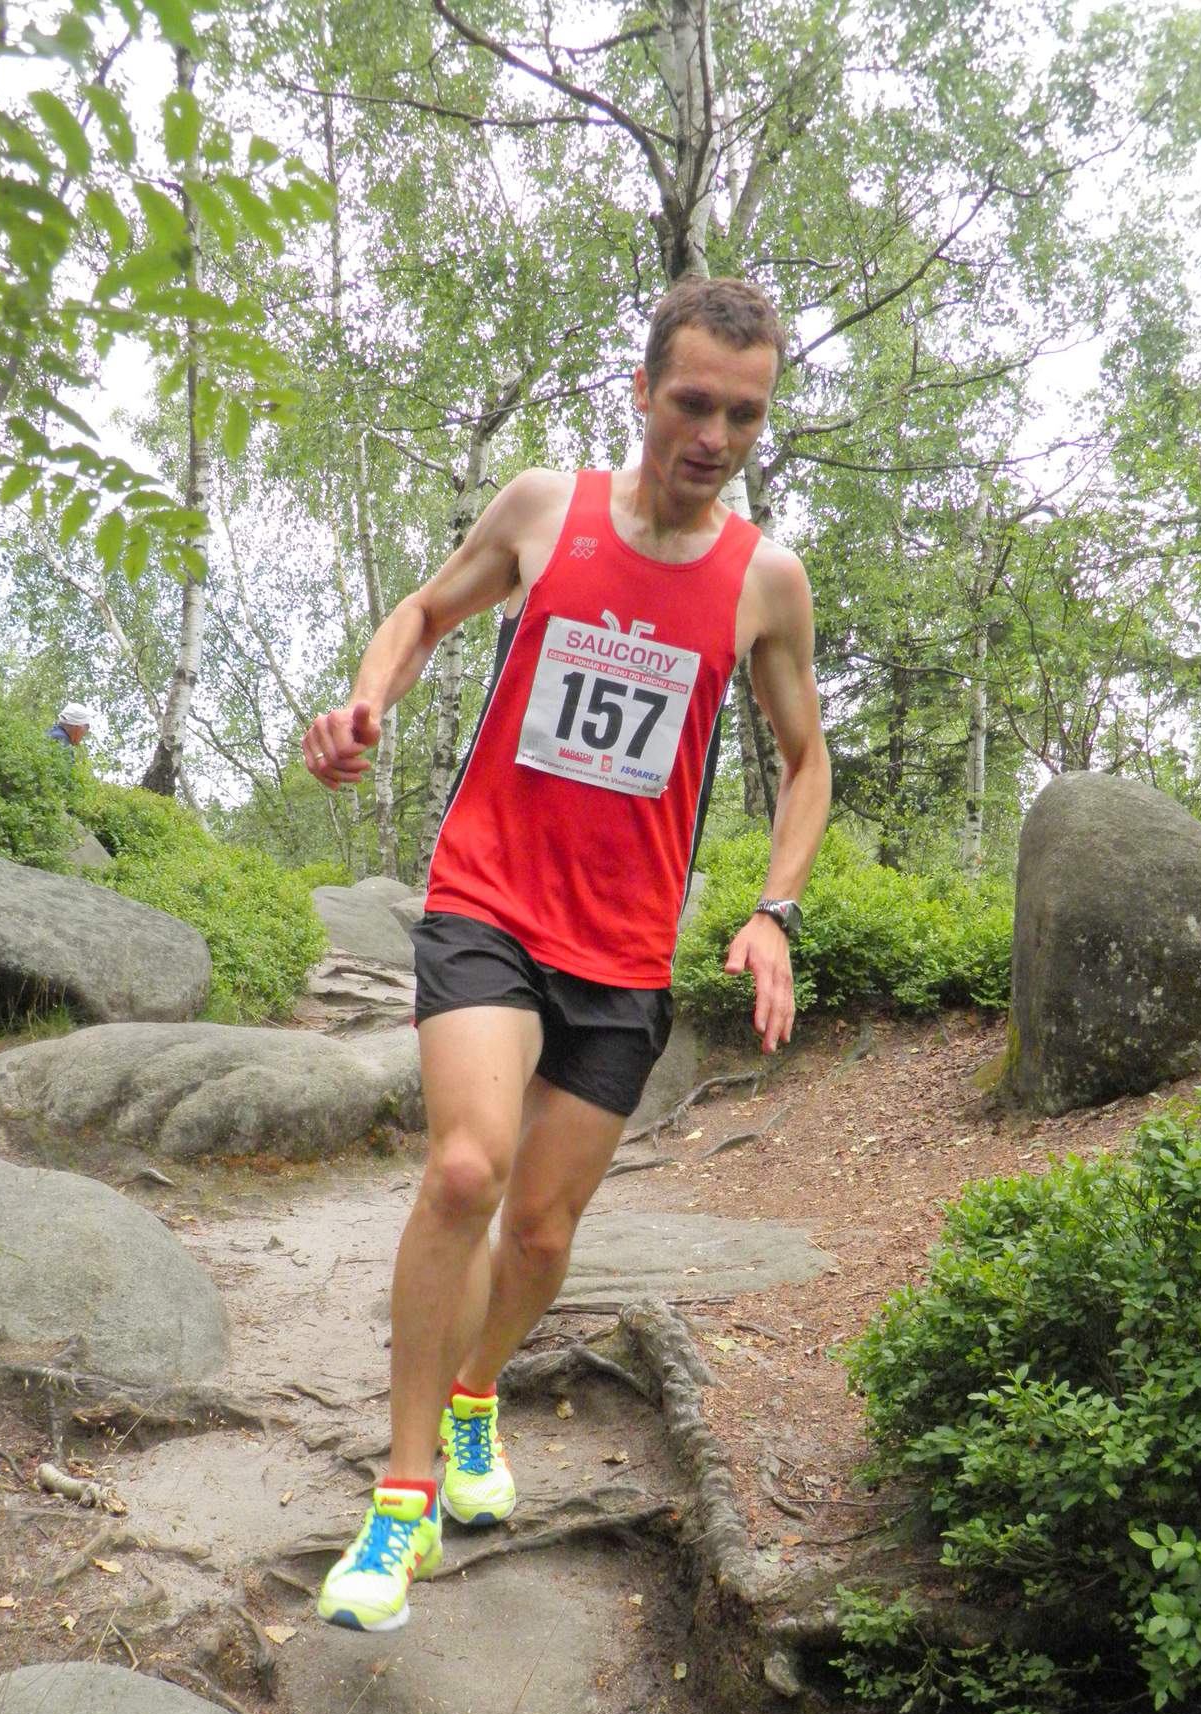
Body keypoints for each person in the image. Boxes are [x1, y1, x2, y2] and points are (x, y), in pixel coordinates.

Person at [302, 277, 831, 1634]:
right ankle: (402, 1499)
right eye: (693, 402)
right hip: (488, 897)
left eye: (745, 415)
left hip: (624, 949)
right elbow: (423, 614)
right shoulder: (548, 509)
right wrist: (364, 702)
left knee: (541, 1232)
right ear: (643, 391)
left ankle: (475, 1393)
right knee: (465, 1169)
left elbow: (805, 759)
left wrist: (773, 910)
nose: (714, 436)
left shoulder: (763, 582)